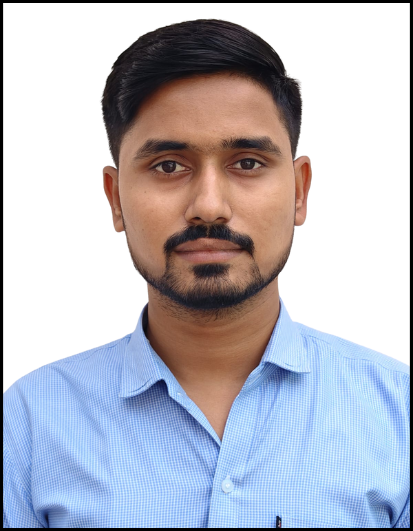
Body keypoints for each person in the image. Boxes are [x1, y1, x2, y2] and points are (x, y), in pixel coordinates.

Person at [3, 19, 409, 529]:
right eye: (169, 166)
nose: (209, 207)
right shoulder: (30, 424)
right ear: (115, 199)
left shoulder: (399, 415)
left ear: (300, 191)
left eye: (248, 162)